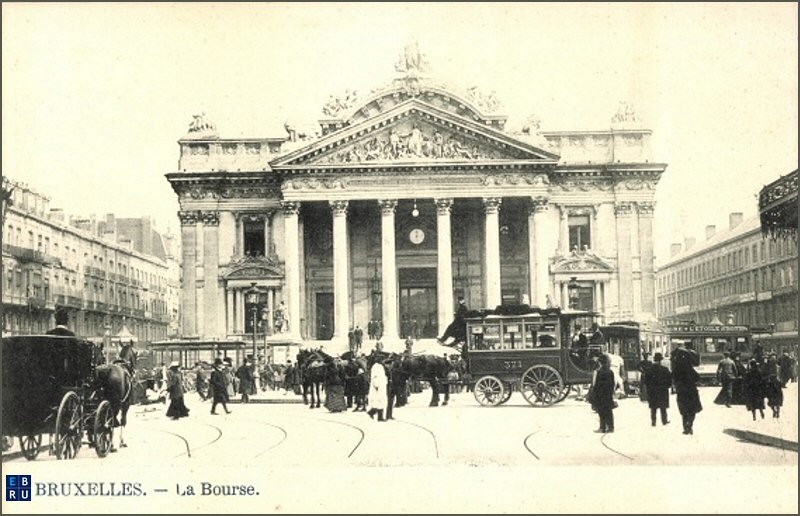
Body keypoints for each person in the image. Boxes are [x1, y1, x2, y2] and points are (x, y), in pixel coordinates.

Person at [672, 342, 702, 435]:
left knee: (683, 411)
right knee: (692, 410)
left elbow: (673, 378)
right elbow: (697, 378)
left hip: (681, 392)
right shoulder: (689, 369)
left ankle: (685, 427)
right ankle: (690, 424)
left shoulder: (676, 369)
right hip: (691, 391)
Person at [590, 354, 616, 433]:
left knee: (601, 411)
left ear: (600, 363)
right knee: (609, 411)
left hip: (600, 394)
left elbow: (595, 384)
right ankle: (611, 427)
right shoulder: (610, 371)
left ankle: (602, 427)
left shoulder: (598, 372)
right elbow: (613, 383)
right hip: (608, 394)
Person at [645, 352, 672, 426]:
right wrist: (667, 386)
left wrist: (649, 388)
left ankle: (653, 422)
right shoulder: (665, 369)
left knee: (653, 408)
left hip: (652, 391)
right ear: (660, 360)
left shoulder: (649, 369)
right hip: (662, 390)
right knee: (663, 408)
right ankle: (664, 421)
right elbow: (670, 380)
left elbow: (646, 381)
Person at [763, 353, 783, 418]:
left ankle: (777, 412)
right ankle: (775, 411)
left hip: (774, 384)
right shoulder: (769, 367)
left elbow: (781, 376)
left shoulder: (778, 367)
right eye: (772, 359)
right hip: (773, 384)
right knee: (774, 400)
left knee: (775, 400)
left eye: (774, 359)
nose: (773, 361)